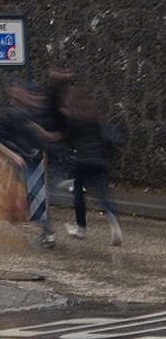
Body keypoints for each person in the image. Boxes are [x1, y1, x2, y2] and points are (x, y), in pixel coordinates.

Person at [0, 84, 59, 247]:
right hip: (26, 160)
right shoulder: (11, 115)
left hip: (35, 159)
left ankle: (44, 228)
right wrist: (14, 156)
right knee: (37, 195)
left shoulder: (33, 113)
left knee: (37, 195)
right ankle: (46, 231)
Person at [63, 90, 123, 245]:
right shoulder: (95, 119)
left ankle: (81, 228)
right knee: (103, 194)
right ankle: (113, 222)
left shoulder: (74, 120)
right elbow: (108, 138)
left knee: (78, 192)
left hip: (82, 160)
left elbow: (68, 140)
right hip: (99, 160)